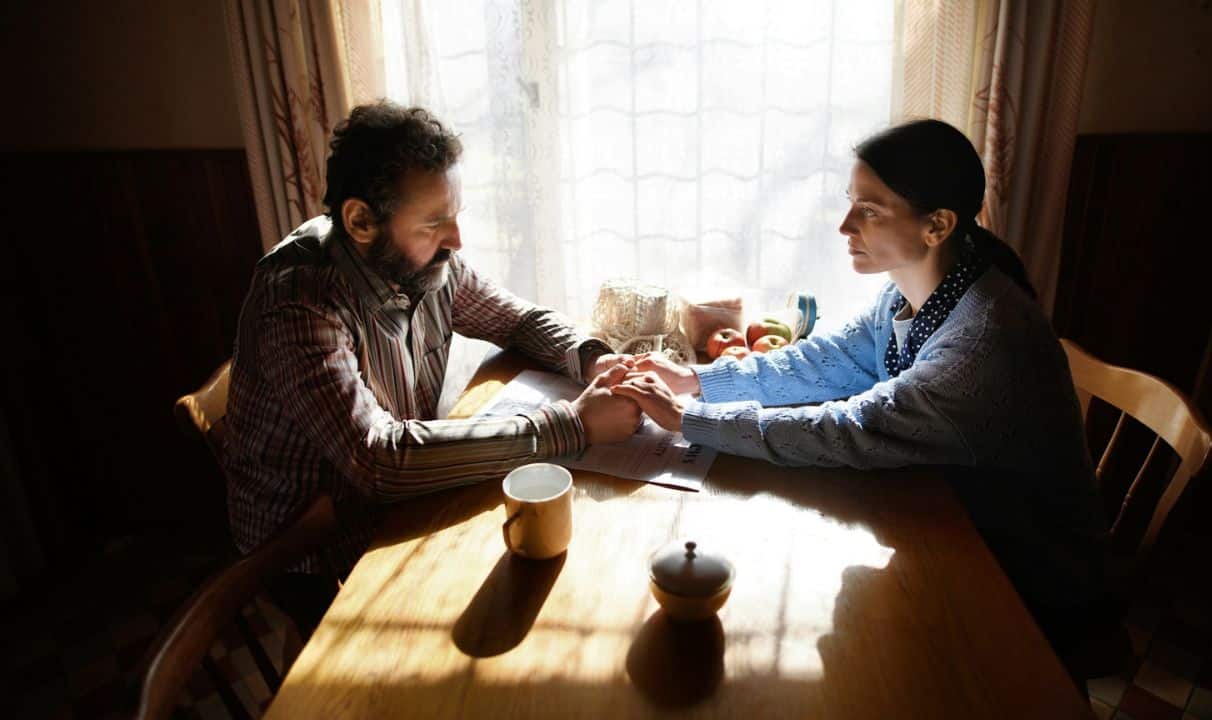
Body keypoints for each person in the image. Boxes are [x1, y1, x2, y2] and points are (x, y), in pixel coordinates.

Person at [613, 119, 1107, 665]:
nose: (846, 225)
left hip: (1020, 583)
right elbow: (828, 359)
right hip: (947, 521)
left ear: (937, 226)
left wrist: (692, 419)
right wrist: (700, 380)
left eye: (870, 210)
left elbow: (851, 430)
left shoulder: (983, 342)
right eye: (852, 203)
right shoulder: (920, 286)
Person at [222, 101, 640, 636]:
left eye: (455, 213)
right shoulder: (300, 303)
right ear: (360, 221)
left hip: (393, 502)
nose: (457, 239)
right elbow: (378, 461)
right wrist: (574, 425)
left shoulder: (422, 262)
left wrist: (593, 358)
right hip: (312, 549)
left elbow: (516, 320)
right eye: (435, 221)